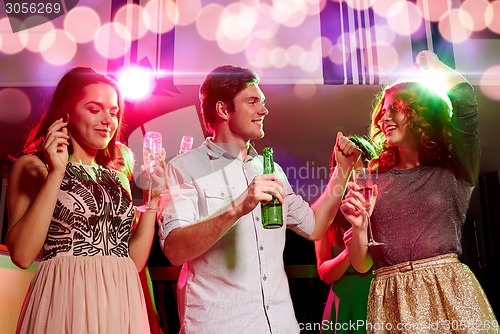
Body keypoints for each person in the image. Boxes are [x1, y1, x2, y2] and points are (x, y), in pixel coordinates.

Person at [158, 64, 361, 333]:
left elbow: (314, 226)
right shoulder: (185, 167)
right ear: (222, 110)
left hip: (279, 325)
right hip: (220, 326)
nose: (263, 110)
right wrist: (238, 207)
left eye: (262, 102)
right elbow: (174, 250)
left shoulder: (271, 169)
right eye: (252, 102)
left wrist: (342, 170)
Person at [341, 50, 498, 333]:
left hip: (448, 292)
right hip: (391, 300)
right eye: (382, 111)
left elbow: (466, 102)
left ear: (421, 114)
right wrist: (360, 226)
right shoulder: (369, 178)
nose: (383, 119)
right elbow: (362, 264)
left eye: (395, 108)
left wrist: (437, 67)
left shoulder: (455, 168)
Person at [6, 67, 164, 334]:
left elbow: (132, 262)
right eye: (95, 109)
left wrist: (153, 200)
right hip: (67, 298)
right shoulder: (34, 167)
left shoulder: (118, 178)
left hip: (120, 298)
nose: (108, 121)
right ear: (67, 112)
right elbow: (22, 254)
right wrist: (57, 172)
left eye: (113, 112)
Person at [315, 135, 376, 334]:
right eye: (347, 170)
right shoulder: (328, 213)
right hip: (344, 302)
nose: (356, 180)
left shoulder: (385, 206)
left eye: (360, 170)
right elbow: (324, 273)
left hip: (379, 293)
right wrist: (350, 252)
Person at [109, 141, 164, 334]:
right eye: (111, 159)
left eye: (120, 162)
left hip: (135, 274)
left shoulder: (138, 210)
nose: (115, 166)